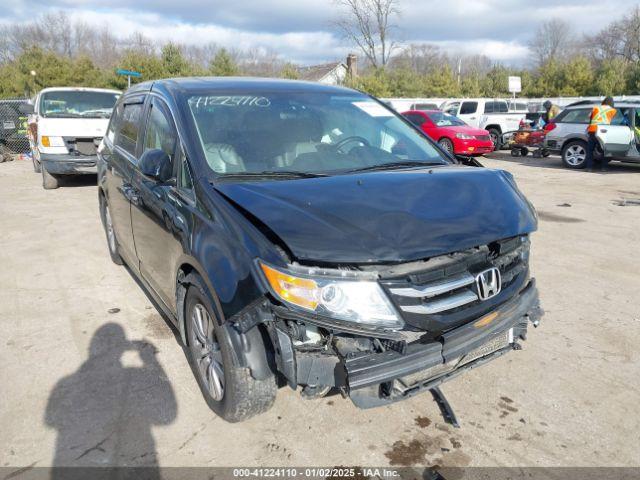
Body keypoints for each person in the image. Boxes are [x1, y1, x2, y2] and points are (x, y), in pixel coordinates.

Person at [585, 96, 616, 172]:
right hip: (604, 131)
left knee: (590, 150)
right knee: (604, 150)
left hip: (593, 130)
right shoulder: (613, 110)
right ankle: (604, 168)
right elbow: (613, 120)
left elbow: (589, 116)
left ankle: (589, 168)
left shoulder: (596, 108)